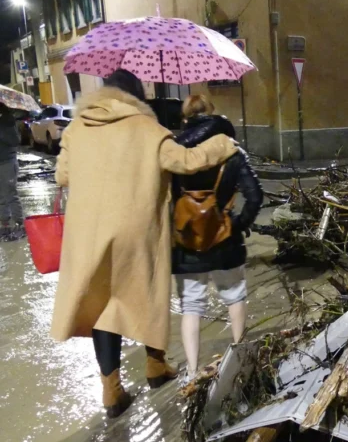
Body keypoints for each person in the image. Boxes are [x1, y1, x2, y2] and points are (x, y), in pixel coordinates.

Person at [51, 70, 239, 418]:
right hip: (135, 228)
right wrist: (224, 143)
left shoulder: (76, 128)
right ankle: (155, 365)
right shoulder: (147, 129)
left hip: (89, 231)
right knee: (145, 292)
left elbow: (62, 175)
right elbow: (186, 161)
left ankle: (112, 391)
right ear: (137, 97)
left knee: (104, 304)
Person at [171, 95, 263, 384]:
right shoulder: (232, 150)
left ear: (185, 118)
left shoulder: (172, 152)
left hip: (186, 241)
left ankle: (192, 371)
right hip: (225, 241)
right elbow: (255, 196)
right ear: (213, 115)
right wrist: (236, 225)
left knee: (192, 306)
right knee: (234, 295)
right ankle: (238, 356)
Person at [0, 104, 23, 237]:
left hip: (7, 162)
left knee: (11, 194)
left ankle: (19, 223)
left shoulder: (8, 121)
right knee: (1, 195)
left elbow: (15, 140)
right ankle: (5, 224)